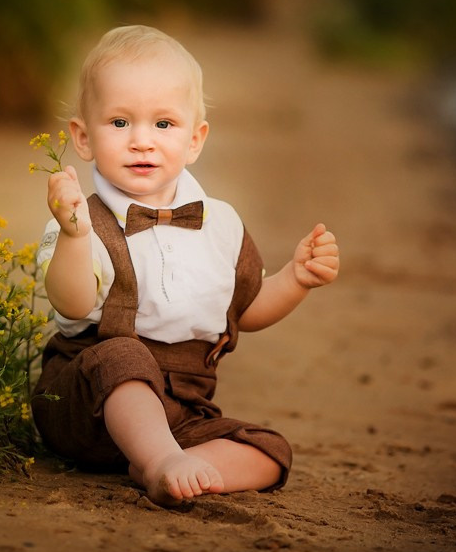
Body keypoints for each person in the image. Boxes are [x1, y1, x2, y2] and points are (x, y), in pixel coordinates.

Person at [32, 25, 339, 506]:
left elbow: (243, 311)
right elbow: (71, 303)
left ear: (195, 140)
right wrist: (73, 236)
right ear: (83, 137)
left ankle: (172, 466)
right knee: (123, 355)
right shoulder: (82, 219)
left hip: (183, 412)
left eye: (163, 124)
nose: (141, 142)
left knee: (270, 451)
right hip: (88, 402)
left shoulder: (222, 224)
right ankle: (160, 461)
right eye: (119, 123)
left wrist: (295, 279)